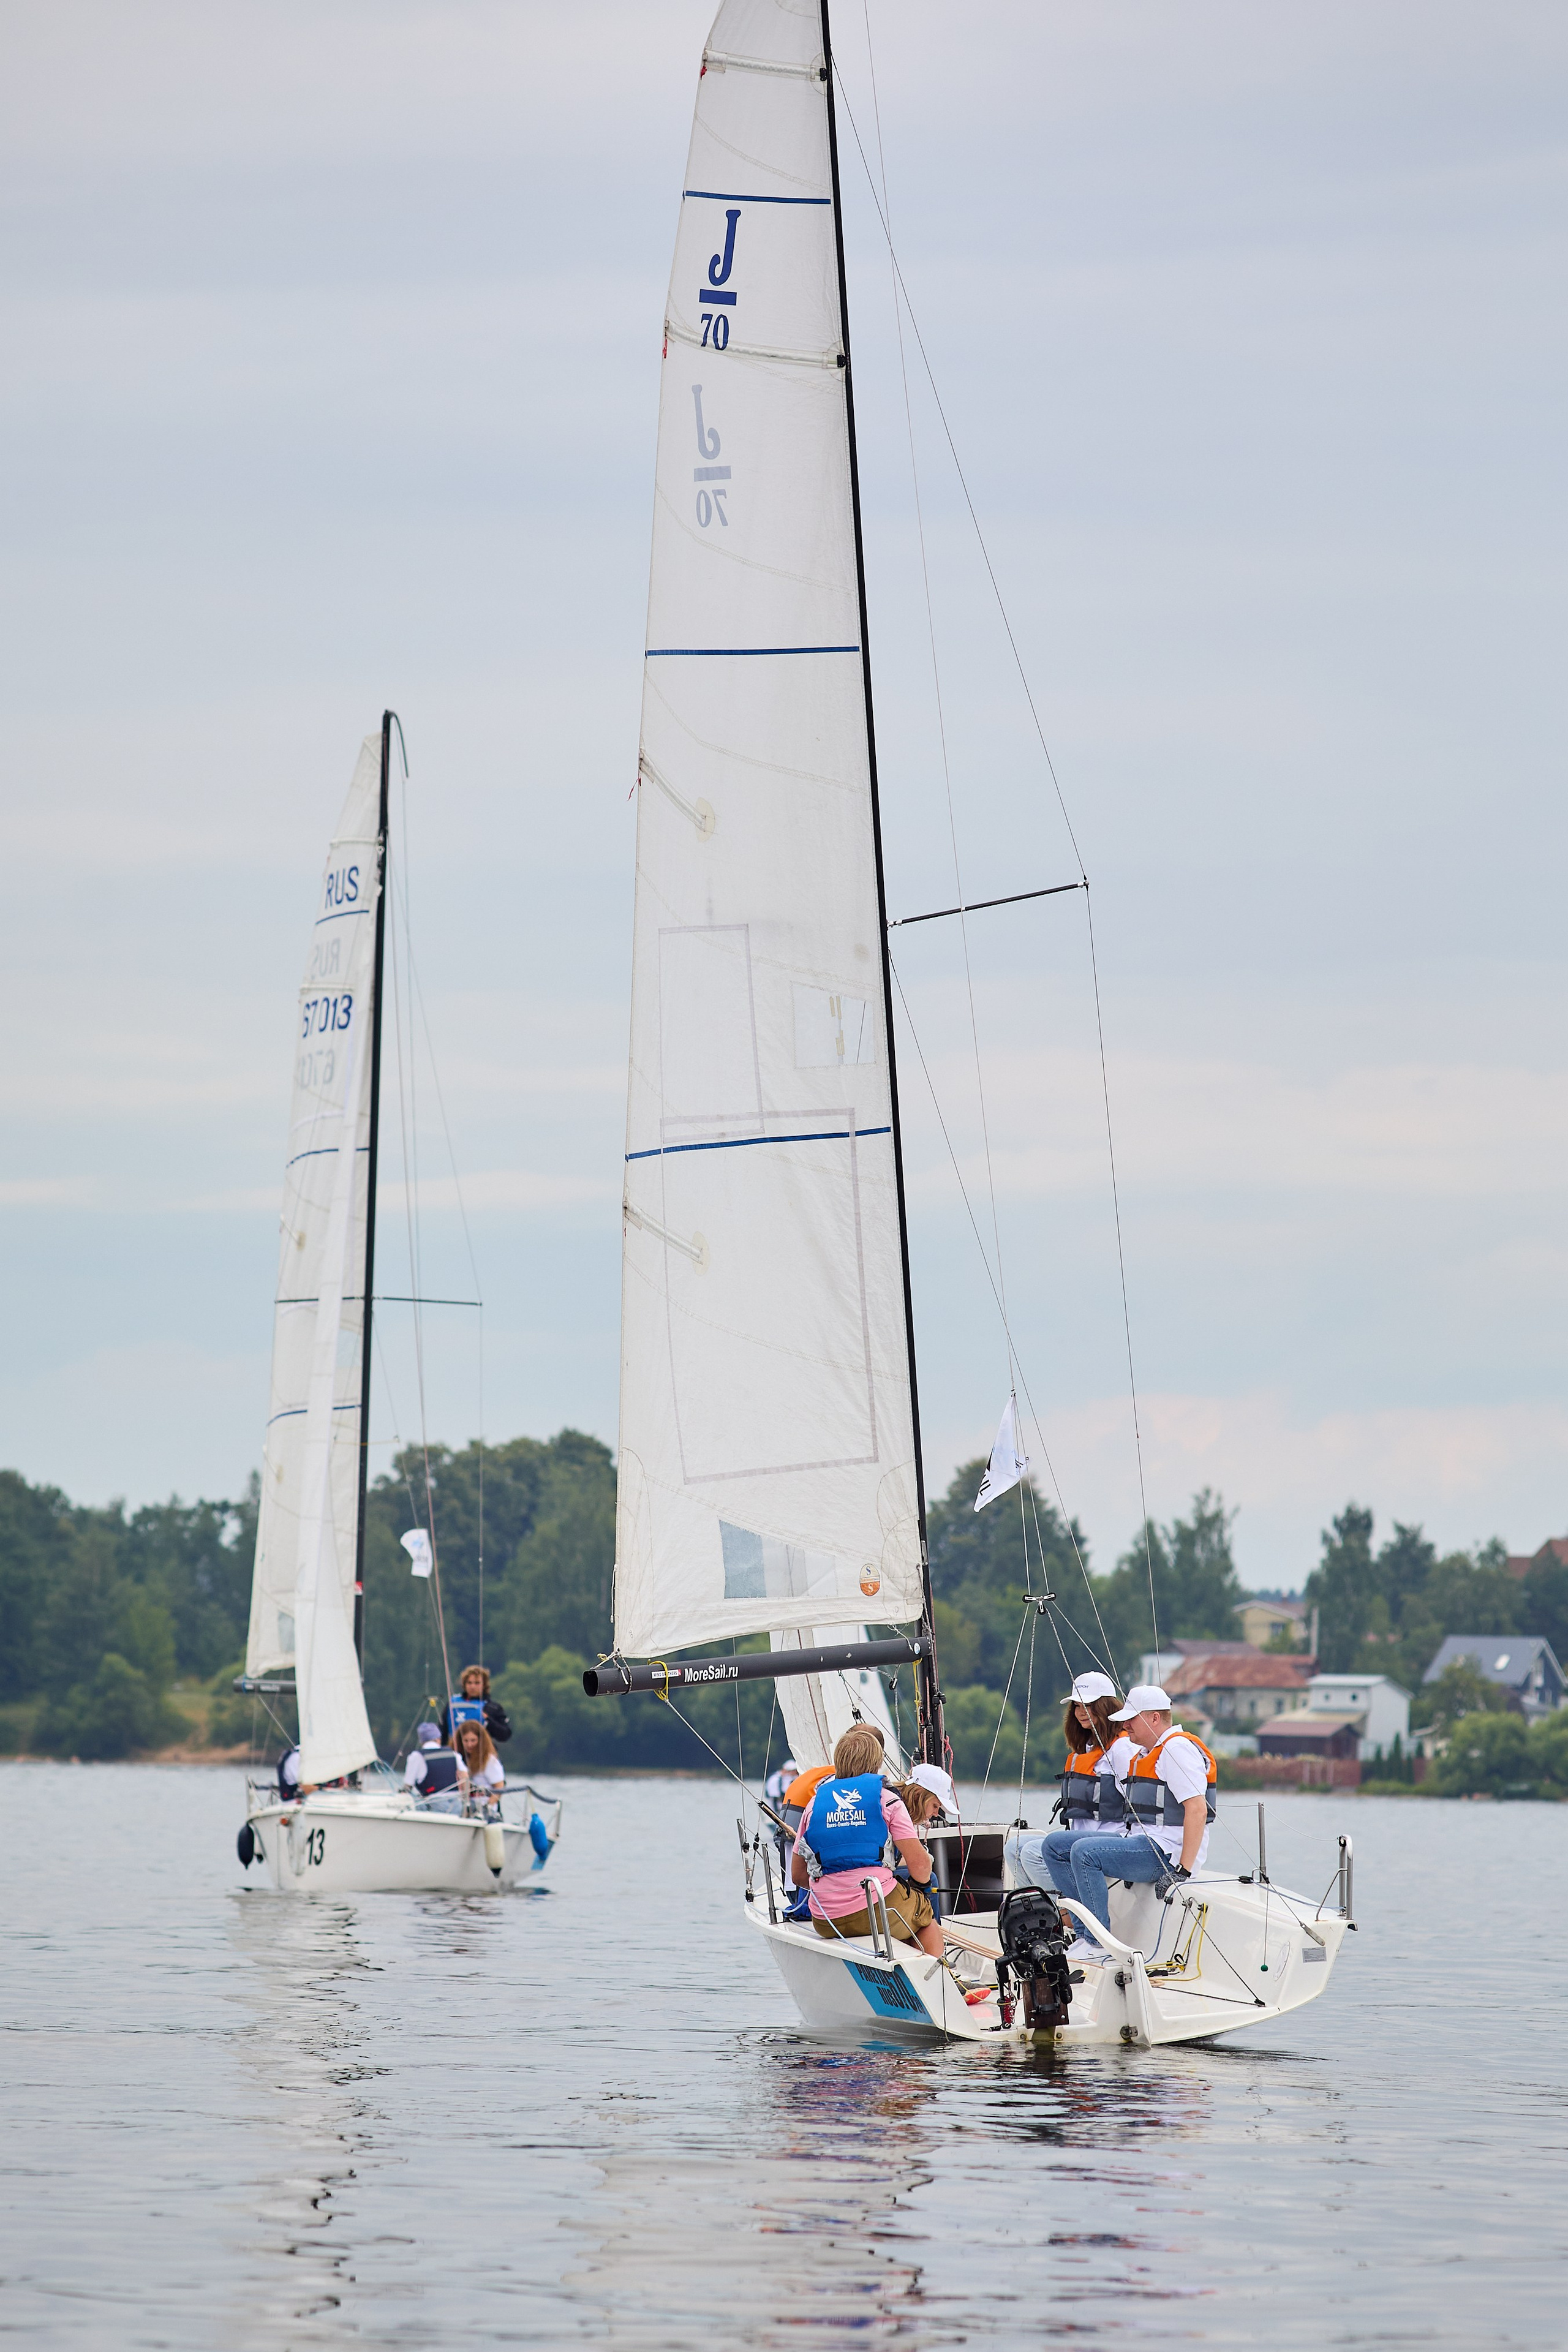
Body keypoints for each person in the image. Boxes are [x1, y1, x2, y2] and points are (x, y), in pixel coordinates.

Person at [1063, 1685, 1217, 1953]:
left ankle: (1097, 1943)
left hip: (1164, 1852)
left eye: (1131, 1719)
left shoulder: (1176, 1749)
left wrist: (1182, 1871)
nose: (1125, 1726)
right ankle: (1083, 1935)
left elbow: (1197, 1810)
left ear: (1155, 1718)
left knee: (1085, 1853)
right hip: (1142, 1843)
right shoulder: (1148, 1752)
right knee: (1055, 1846)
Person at [791, 1726, 942, 1958]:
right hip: (874, 1908)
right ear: (876, 1763)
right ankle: (938, 1973)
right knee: (924, 1918)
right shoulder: (887, 1800)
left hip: (825, 1920)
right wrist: (919, 1890)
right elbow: (921, 1867)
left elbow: (798, 1876)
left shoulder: (814, 1805)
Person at [1006, 1673, 1130, 1913]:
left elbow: (1134, 1802)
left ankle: (1072, 1913)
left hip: (1110, 1839)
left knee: (1033, 1853)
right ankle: (1039, 1916)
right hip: (1080, 1838)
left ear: (1106, 1707)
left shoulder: (1122, 1749)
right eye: (1077, 1706)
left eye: (1089, 1705)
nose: (1081, 1712)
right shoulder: (1087, 1749)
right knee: (1015, 1847)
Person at [439, 1665, 512, 1748]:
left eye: (477, 1683)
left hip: (482, 1752)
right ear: (464, 1684)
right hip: (455, 1751)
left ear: (484, 1685)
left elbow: (505, 1735)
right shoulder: (453, 1704)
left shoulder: (492, 1708)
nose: (473, 1687)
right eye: (469, 1683)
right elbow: (442, 1732)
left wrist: (488, 1721)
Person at [404, 1722, 462, 1811]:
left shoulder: (416, 1756)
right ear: (438, 1739)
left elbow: (408, 1785)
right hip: (457, 1804)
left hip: (435, 1804)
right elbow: (465, 1776)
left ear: (422, 1741)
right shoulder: (453, 1754)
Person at [453, 1717, 506, 1812]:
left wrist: (488, 1807)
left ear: (481, 1740)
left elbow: (500, 1787)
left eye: (473, 1740)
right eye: (466, 1741)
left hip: (482, 1807)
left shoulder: (489, 1761)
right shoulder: (457, 1758)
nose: (469, 1745)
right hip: (461, 1806)